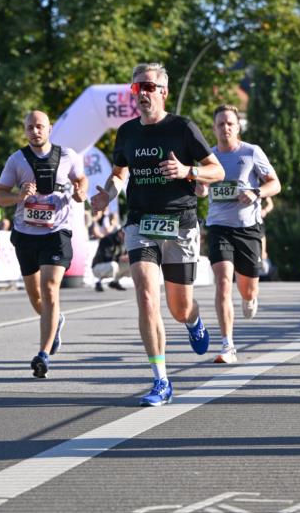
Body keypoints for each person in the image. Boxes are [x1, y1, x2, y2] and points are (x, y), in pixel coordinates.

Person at [90, 63, 224, 407]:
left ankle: (193, 320)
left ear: (163, 91)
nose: (143, 93)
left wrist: (187, 170)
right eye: (137, 88)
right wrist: (108, 193)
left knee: (178, 306)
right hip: (140, 222)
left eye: (149, 87)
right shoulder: (127, 132)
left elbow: (217, 170)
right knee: (147, 296)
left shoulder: (182, 127)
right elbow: (120, 172)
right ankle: (161, 380)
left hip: (179, 222)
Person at [0, 110, 88, 377]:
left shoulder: (68, 156)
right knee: (36, 297)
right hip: (26, 234)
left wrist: (81, 191)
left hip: (57, 233)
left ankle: (43, 354)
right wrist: (17, 196)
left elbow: (81, 180)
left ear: (50, 128)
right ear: (24, 130)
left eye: (39, 126)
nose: (35, 131)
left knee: (49, 290)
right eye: (30, 127)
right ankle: (55, 321)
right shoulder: (17, 160)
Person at [195, 104, 280, 364]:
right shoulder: (208, 156)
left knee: (248, 289)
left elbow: (275, 184)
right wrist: (201, 189)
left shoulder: (252, 152)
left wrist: (256, 193)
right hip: (219, 226)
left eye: (230, 123)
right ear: (214, 128)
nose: (225, 128)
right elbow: (201, 188)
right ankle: (227, 345)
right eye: (220, 124)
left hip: (248, 228)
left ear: (238, 126)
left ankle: (250, 297)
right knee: (222, 283)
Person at [92, 226, 128, 291]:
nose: (126, 237)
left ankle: (114, 282)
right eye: (124, 234)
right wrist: (119, 258)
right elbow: (105, 256)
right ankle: (99, 282)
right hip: (98, 266)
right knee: (113, 265)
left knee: (130, 264)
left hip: (114, 264)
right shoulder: (107, 239)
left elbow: (124, 256)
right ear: (119, 233)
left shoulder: (124, 242)